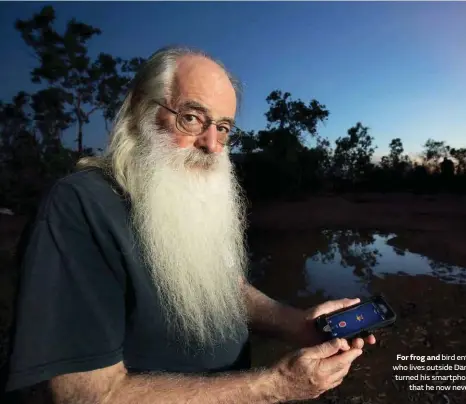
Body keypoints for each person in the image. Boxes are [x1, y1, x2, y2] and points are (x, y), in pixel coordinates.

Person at [2, 46, 376, 403]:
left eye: (224, 127)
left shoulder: (190, 196)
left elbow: (228, 288)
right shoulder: (80, 206)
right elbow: (84, 396)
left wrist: (296, 324)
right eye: (192, 118)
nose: (213, 144)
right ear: (140, 112)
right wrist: (275, 385)